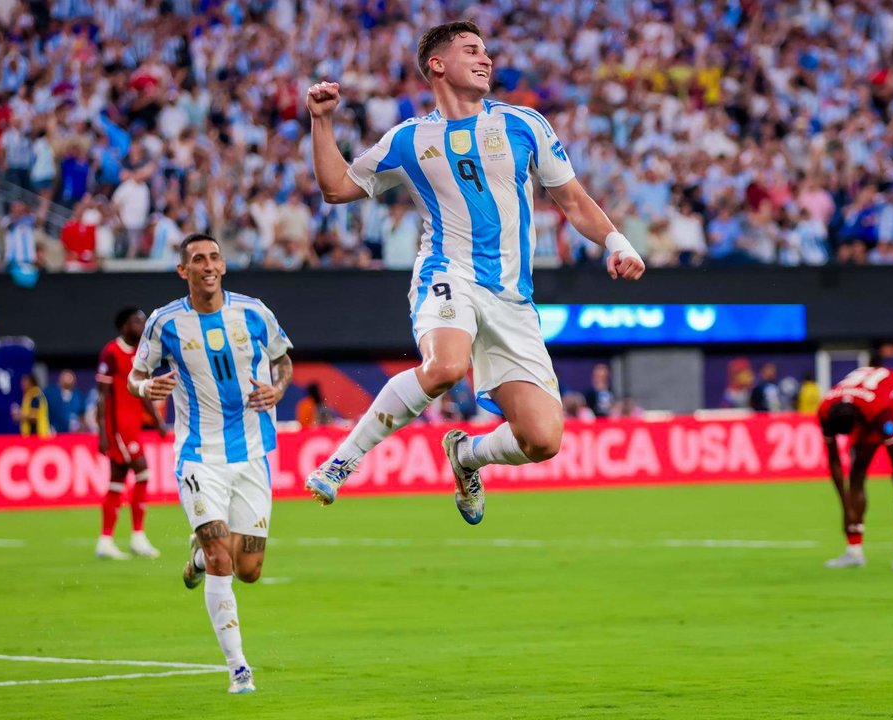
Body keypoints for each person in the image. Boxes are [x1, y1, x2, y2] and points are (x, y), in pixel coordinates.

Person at [304, 21, 644, 523]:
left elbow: (572, 199)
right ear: (437, 65)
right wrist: (321, 120)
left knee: (543, 439)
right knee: (444, 367)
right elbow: (336, 187)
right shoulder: (409, 140)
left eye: (486, 51)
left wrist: (617, 241)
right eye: (471, 51)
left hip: (511, 298)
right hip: (448, 271)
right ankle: (341, 462)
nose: (486, 59)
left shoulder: (523, 124)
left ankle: (467, 456)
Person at [128, 233, 292, 694]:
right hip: (199, 456)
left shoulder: (254, 312)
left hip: (253, 454)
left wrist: (277, 390)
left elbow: (283, 361)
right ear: (184, 271)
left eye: (215, 257)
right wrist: (146, 389)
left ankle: (198, 556)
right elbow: (135, 375)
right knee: (224, 560)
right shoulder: (165, 323)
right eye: (198, 259)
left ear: (223, 265)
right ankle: (238, 667)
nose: (208, 265)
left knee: (249, 569)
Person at [818, 364, 893, 570]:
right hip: (863, 404)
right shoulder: (825, 410)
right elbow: (834, 460)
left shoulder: (879, 412)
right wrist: (846, 508)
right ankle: (854, 551)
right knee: (857, 472)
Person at [94, 309, 168, 561]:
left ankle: (106, 540)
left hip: (132, 426)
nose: (142, 324)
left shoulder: (140, 355)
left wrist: (157, 420)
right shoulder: (111, 352)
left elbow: (142, 391)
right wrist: (102, 432)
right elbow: (102, 396)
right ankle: (137, 536)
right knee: (143, 471)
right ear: (125, 325)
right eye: (138, 320)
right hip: (117, 429)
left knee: (117, 480)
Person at [45, 369, 87, 433]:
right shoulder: (51, 393)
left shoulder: (78, 395)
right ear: (60, 380)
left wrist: (81, 428)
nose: (68, 380)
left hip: (72, 435)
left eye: (70, 378)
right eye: (66, 377)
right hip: (54, 433)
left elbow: (82, 415)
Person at [12, 373, 50, 438]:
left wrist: (20, 416)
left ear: (31, 382)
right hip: (30, 436)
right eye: (22, 381)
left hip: (37, 435)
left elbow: (35, 417)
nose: (22, 384)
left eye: (25, 381)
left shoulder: (35, 395)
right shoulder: (29, 395)